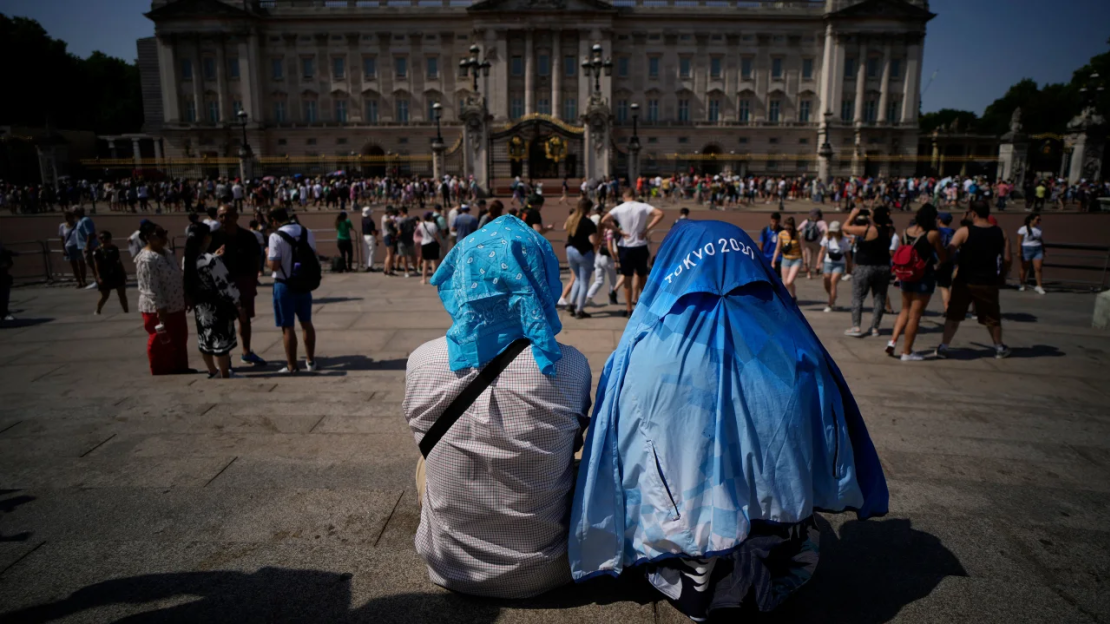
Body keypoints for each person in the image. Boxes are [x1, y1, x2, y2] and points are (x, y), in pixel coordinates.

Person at [570, 219, 888, 622]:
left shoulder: (644, 347)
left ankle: (695, 561)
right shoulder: (798, 344)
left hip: (681, 526)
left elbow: (619, 448)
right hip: (779, 532)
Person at [403, 215, 592, 598]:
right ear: (540, 279)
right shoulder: (568, 365)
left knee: (426, 462)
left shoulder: (422, 360)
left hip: (450, 569)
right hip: (548, 571)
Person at [936, 200, 1012, 359]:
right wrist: (1002, 276)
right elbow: (1007, 259)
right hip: (988, 281)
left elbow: (949, 252)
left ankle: (944, 346)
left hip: (964, 279)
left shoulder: (964, 231)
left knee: (953, 315)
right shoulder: (1001, 232)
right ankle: (999, 346)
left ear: (974, 214)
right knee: (992, 316)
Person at [886, 204, 946, 361]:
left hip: (906, 274)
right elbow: (943, 256)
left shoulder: (905, 231)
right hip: (923, 275)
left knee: (904, 309)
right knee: (915, 315)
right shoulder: (932, 234)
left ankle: (892, 341)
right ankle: (906, 351)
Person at [184, 223, 241, 379]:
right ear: (206, 238)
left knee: (205, 338)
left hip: (201, 306)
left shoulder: (188, 260)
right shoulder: (211, 260)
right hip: (218, 305)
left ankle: (212, 371)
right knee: (221, 341)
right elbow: (225, 283)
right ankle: (224, 373)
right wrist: (237, 302)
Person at [211, 205, 265, 367]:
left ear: (236, 216)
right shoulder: (213, 237)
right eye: (220, 216)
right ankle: (225, 356)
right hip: (221, 284)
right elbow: (205, 260)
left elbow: (256, 259)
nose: (223, 219)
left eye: (227, 215)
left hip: (244, 282)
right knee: (224, 321)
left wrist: (254, 279)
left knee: (245, 319)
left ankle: (246, 352)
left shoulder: (248, 236)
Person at [135, 221, 192, 376]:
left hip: (176, 304)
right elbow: (149, 286)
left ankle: (179, 365)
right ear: (147, 237)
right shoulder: (146, 259)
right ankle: (160, 367)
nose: (163, 238)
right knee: (159, 338)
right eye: (158, 235)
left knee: (179, 337)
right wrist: (160, 306)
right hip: (158, 307)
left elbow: (178, 276)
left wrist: (185, 296)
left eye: (164, 233)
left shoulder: (167, 253)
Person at [268, 208, 318, 373]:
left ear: (275, 221)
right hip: (304, 283)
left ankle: (292, 365)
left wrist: (268, 254)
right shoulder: (306, 232)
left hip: (284, 284)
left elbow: (274, 265)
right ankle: (310, 361)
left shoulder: (275, 237)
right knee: (306, 323)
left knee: (287, 326)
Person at [601, 189, 664, 318]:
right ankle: (645, 306)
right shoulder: (642, 206)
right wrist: (647, 229)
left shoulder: (619, 208)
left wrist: (619, 230)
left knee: (627, 278)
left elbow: (604, 220)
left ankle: (629, 308)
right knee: (642, 277)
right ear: (634, 196)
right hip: (640, 245)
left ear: (624, 196)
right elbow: (660, 214)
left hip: (625, 245)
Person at [842, 205, 895, 338]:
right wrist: (874, 216)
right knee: (879, 298)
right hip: (883, 267)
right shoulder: (889, 230)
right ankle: (875, 328)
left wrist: (853, 215)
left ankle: (856, 326)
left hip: (864, 266)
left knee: (858, 297)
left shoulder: (868, 230)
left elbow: (845, 228)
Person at [564, 197, 599, 319]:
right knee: (584, 282)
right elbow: (593, 241)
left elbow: (565, 227)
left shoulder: (571, 219)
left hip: (570, 250)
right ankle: (580, 310)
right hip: (583, 252)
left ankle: (572, 303)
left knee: (577, 279)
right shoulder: (588, 223)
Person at [90, 231, 129, 315]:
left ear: (110, 238)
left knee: (122, 294)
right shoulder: (97, 251)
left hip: (117, 273)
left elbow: (118, 261)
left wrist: (124, 273)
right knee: (105, 295)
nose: (104, 240)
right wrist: (98, 276)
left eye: (106, 238)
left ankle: (126, 311)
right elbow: (96, 264)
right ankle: (98, 309)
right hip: (104, 274)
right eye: (101, 238)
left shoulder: (114, 248)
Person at [773, 216, 804, 301]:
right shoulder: (781, 234)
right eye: (786, 228)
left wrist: (806, 263)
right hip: (785, 259)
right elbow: (778, 248)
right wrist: (773, 261)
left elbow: (803, 249)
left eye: (789, 228)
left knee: (789, 282)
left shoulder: (798, 234)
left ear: (793, 227)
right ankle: (793, 296)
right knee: (785, 282)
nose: (788, 230)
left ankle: (782, 299)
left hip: (796, 259)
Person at [818, 220, 847, 312]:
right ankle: (833, 297)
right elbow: (822, 251)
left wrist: (849, 267)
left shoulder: (844, 240)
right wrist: (818, 263)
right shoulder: (827, 238)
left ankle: (830, 304)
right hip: (828, 262)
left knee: (833, 281)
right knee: (826, 280)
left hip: (839, 263)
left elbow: (848, 255)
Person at [1018, 213, 1046, 294]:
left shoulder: (1039, 228)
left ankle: (1039, 286)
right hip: (1026, 249)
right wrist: (1019, 252)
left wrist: (1044, 249)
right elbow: (1019, 241)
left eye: (1040, 220)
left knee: (1038, 268)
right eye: (1037, 220)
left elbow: (1040, 239)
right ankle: (1022, 283)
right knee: (1024, 268)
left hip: (1037, 249)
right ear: (1031, 220)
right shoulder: (1023, 229)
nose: (1039, 221)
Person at [59, 211, 87, 288]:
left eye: (70, 217)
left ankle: (83, 280)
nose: (69, 219)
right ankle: (79, 281)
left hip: (79, 245)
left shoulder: (78, 224)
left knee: (81, 264)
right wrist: (64, 249)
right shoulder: (62, 226)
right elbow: (62, 239)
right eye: (67, 217)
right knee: (74, 265)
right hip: (69, 246)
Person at [935, 211, 956, 312]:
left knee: (943, 287)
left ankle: (948, 308)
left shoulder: (937, 232)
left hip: (937, 260)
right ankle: (950, 306)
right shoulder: (954, 232)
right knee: (946, 285)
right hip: (950, 261)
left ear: (939, 220)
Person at [418, 210, 446, 285]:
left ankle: (423, 279)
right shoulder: (433, 225)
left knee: (425, 262)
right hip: (432, 243)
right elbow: (436, 236)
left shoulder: (421, 224)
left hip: (424, 243)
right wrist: (441, 245)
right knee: (434, 262)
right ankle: (434, 279)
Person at [799, 208, 827, 279]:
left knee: (809, 257)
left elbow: (798, 229)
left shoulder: (806, 221)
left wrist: (802, 236)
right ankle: (823, 273)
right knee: (820, 257)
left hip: (807, 242)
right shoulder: (822, 222)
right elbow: (827, 231)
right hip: (817, 243)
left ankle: (809, 274)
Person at [396, 207, 419, 277]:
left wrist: (396, 236)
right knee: (413, 255)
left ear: (402, 212)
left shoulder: (400, 221)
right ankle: (415, 269)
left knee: (404, 256)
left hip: (402, 240)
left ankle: (407, 271)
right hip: (410, 239)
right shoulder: (412, 219)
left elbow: (399, 231)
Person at [360, 206, 379, 272]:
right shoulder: (371, 221)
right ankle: (370, 266)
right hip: (370, 236)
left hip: (365, 236)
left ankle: (367, 265)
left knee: (366, 252)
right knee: (371, 252)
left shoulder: (363, 220)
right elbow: (372, 231)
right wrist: (376, 239)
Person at [382, 207, 399, 276]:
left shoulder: (387, 217)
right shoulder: (385, 217)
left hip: (389, 235)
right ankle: (388, 270)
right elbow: (386, 220)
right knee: (390, 255)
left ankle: (386, 269)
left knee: (389, 254)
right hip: (388, 235)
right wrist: (394, 219)